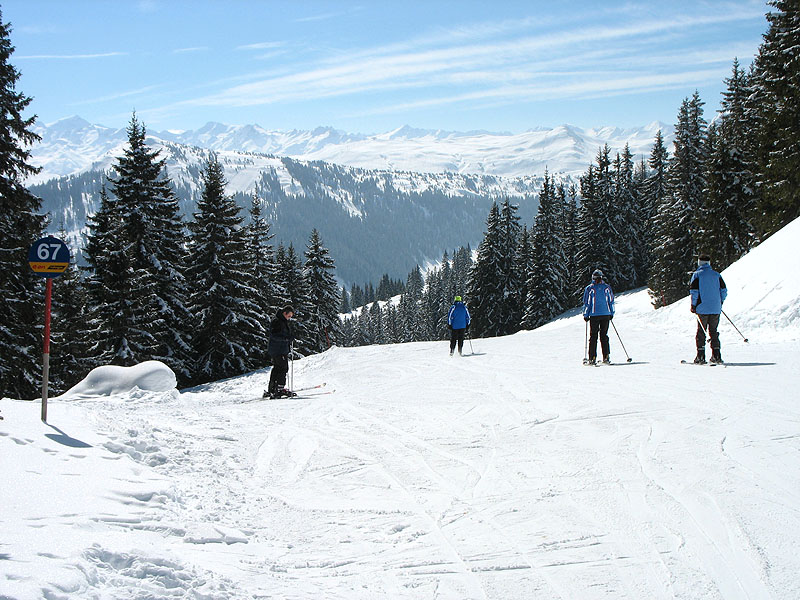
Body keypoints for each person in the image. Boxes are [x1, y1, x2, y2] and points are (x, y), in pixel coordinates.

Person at [690, 253, 727, 364]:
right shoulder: (717, 275)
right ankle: (717, 355)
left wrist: (693, 305)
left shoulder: (697, 275)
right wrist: (719, 302)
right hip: (716, 308)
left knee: (701, 332)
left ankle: (700, 356)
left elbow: (694, 292)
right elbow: (724, 291)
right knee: (713, 331)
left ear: (699, 262)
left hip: (702, 308)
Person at [583, 269, 615, 364]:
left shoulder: (590, 288)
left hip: (594, 315)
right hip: (606, 314)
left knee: (593, 336)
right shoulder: (607, 287)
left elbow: (587, 303)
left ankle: (592, 358)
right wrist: (611, 313)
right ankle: (606, 356)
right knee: (604, 335)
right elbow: (611, 301)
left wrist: (586, 314)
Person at [267, 305, 296, 398]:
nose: (289, 318)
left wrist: (289, 337)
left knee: (277, 368)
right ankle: (279, 389)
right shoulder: (277, 322)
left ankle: (273, 389)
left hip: (279, 349)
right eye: (289, 316)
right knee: (283, 368)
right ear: (284, 313)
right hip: (277, 349)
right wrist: (286, 338)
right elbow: (273, 335)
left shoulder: (282, 322)